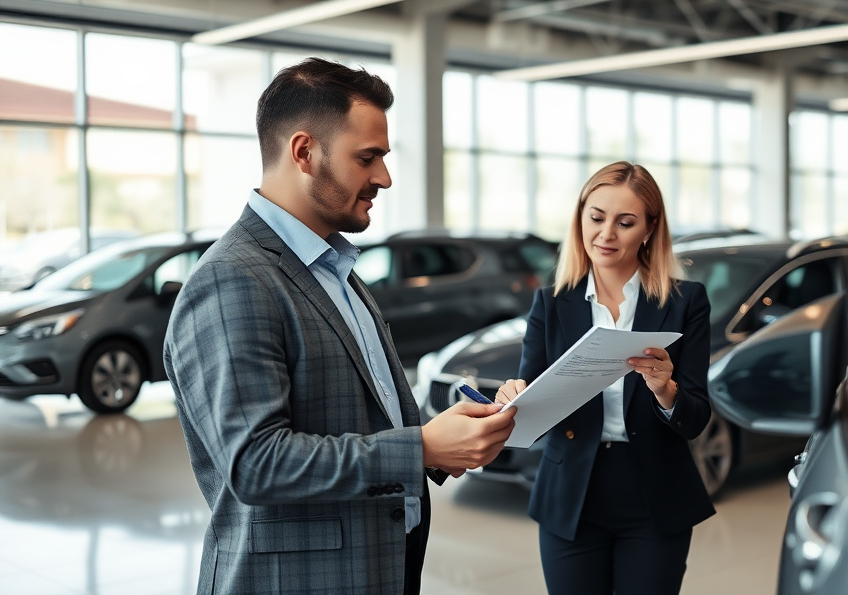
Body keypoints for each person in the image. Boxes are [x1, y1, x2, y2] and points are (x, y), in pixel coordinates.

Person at [163, 58, 516, 595]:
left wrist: (451, 432)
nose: (385, 177)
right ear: (304, 152)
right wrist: (420, 447)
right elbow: (256, 463)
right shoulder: (233, 280)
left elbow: (358, 414)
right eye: (367, 158)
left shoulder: (336, 269)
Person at [495, 161, 715, 595]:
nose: (606, 234)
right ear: (580, 218)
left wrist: (665, 390)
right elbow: (531, 411)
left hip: (654, 492)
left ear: (650, 228)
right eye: (596, 218)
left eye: (625, 222)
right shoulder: (552, 303)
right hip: (571, 492)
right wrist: (516, 396)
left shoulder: (685, 301)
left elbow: (696, 418)